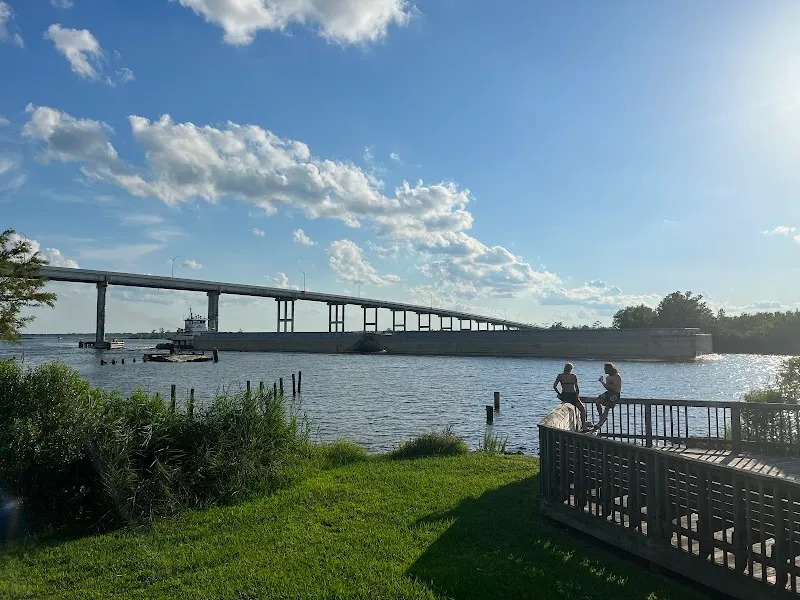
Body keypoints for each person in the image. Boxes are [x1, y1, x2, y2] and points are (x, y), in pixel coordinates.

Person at [553, 363, 587, 429]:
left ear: (564, 368)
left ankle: (580, 424)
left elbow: (554, 386)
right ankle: (584, 426)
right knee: (582, 410)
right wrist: (577, 397)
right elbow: (577, 388)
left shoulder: (560, 376)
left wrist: (560, 394)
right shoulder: (573, 376)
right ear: (571, 369)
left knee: (559, 397)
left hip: (564, 395)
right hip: (572, 395)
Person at [592, 362, 622, 433]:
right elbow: (607, 388)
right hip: (608, 393)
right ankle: (601, 417)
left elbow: (614, 388)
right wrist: (602, 382)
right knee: (597, 400)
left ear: (610, 369)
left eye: (605, 368)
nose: (604, 370)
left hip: (615, 394)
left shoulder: (617, 376)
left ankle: (600, 423)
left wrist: (604, 383)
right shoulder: (608, 377)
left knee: (607, 407)